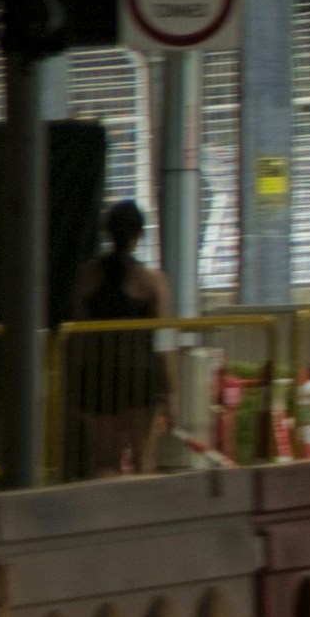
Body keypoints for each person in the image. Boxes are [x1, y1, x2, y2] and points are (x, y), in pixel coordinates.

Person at [66, 201, 172, 476]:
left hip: (99, 374)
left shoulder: (86, 277)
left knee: (104, 462)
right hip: (140, 376)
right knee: (143, 461)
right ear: (139, 235)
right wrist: (171, 392)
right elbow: (162, 344)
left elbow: (78, 339)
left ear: (107, 233)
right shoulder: (151, 281)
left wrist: (74, 388)